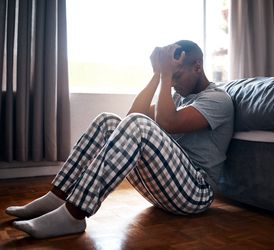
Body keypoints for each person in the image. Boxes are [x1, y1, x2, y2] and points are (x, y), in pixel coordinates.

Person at [5, 40, 234, 239]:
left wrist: (165, 74)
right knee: (108, 122)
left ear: (198, 66)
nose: (173, 83)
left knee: (138, 125)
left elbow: (168, 122)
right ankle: (56, 197)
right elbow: (132, 115)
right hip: (166, 188)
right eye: (170, 78)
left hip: (196, 193)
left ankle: (73, 215)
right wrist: (157, 75)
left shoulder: (217, 99)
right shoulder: (176, 95)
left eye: (177, 76)